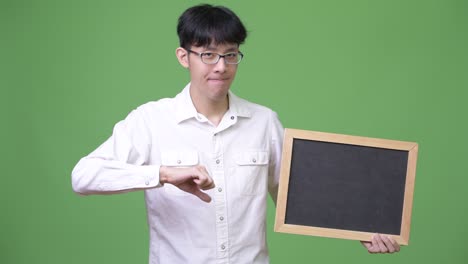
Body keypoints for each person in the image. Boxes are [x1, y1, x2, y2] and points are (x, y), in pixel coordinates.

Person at [72, 4, 400, 263]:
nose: (221, 66)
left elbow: (301, 196)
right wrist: (163, 174)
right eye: (208, 54)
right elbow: (83, 177)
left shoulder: (264, 121)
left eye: (230, 54)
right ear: (183, 56)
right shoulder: (151, 120)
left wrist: (361, 228)